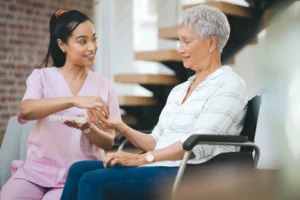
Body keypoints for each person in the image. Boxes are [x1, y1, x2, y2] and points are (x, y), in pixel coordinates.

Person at [61, 5, 248, 200]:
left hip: (193, 172)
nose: (180, 49)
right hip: (161, 165)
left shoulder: (229, 84)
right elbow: (155, 141)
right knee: (79, 170)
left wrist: (140, 158)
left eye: (186, 41)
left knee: (92, 180)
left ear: (211, 43)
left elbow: (199, 144)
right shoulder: (180, 90)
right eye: (179, 41)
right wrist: (121, 127)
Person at [0, 9, 120, 200]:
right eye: (83, 41)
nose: (92, 47)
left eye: (94, 39)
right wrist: (73, 100)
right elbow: (27, 110)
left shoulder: (105, 86)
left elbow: (108, 141)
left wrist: (88, 128)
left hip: (75, 174)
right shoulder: (41, 77)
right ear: (62, 44)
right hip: (35, 172)